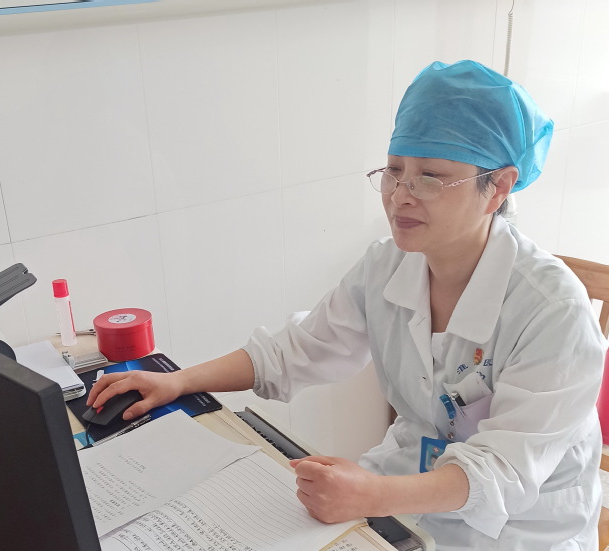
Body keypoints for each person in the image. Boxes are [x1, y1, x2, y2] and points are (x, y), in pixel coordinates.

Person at [87, 60, 607, 550]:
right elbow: (299, 349)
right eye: (393, 170)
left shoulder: (553, 311)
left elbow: (505, 472)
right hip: (403, 491)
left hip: (516, 530)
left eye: (430, 176)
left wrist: (371, 495)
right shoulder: (388, 265)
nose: (400, 195)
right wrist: (178, 381)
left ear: (498, 187)